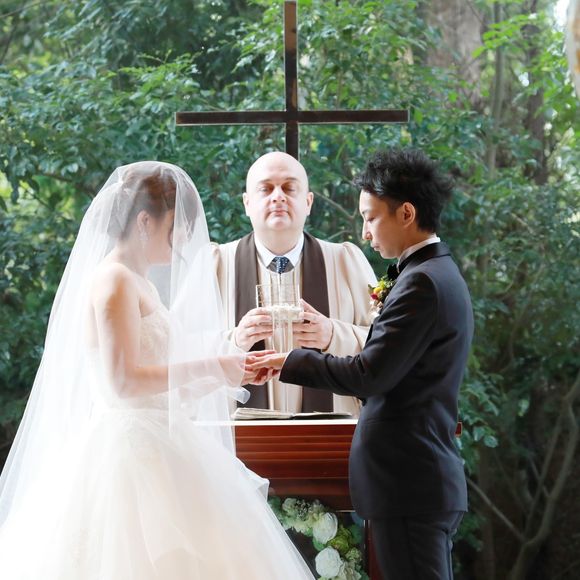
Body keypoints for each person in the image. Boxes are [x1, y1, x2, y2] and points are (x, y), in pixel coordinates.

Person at [0, 161, 315, 579]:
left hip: (161, 439)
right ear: (144, 222)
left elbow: (161, 382)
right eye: (175, 227)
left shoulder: (139, 281)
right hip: (128, 455)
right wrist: (213, 364)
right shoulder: (114, 281)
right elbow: (124, 382)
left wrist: (226, 372)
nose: (182, 238)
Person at [250, 149, 474, 579]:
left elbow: (368, 375)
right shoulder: (429, 273)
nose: (365, 232)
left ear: (406, 213)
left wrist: (289, 361)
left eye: (370, 218)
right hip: (414, 482)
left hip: (409, 483)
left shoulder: (423, 283)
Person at [212, 151, 376, 415]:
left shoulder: (346, 261)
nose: (278, 196)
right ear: (247, 203)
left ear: (308, 202)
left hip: (335, 431)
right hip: (234, 433)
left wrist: (333, 335)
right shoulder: (216, 264)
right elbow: (179, 353)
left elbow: (389, 346)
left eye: (289, 188)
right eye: (265, 189)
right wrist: (236, 340)